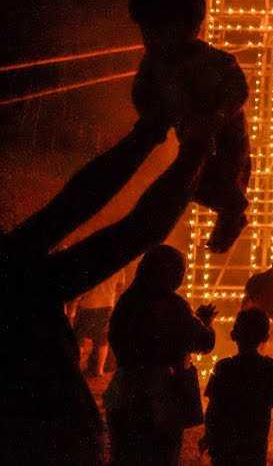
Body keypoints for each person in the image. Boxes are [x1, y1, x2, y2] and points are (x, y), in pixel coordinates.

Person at [0, 98, 215, 465]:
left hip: (90, 415)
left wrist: (155, 137)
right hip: (53, 437)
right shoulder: (15, 273)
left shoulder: (20, 269)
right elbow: (119, 223)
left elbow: (83, 207)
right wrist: (184, 148)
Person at [128, 0, 252, 252]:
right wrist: (152, 119)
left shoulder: (210, 60)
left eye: (156, 31)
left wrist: (218, 115)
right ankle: (231, 210)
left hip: (227, 138)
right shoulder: (155, 64)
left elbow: (238, 89)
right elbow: (142, 93)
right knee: (193, 186)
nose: (148, 40)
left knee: (217, 180)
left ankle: (232, 212)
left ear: (187, 27)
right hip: (194, 136)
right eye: (146, 32)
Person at [104, 244, 217, 466]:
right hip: (162, 396)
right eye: (180, 271)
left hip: (124, 390)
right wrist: (205, 322)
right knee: (162, 455)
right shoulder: (174, 305)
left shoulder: (127, 302)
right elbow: (204, 342)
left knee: (126, 456)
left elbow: (116, 338)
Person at [202, 308, 273, 466]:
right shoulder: (269, 367)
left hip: (225, 444)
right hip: (255, 444)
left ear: (234, 334)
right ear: (266, 337)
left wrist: (209, 436)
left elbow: (213, 407)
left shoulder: (223, 367)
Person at [73, 269, 125, 377]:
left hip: (88, 305)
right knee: (102, 339)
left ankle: (76, 369)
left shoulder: (94, 264)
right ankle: (99, 370)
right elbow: (120, 287)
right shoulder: (119, 268)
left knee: (79, 338)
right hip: (107, 306)